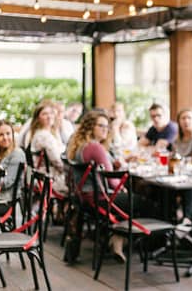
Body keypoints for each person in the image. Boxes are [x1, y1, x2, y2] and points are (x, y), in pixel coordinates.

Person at [66, 110, 129, 262]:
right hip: (100, 199)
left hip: (84, 199)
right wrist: (123, 187)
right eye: (101, 126)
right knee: (145, 202)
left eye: (107, 127)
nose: (105, 130)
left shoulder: (79, 145)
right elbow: (112, 181)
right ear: (90, 127)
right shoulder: (95, 147)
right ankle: (119, 237)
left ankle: (114, 236)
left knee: (132, 199)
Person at [24, 100, 67, 194]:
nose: (49, 116)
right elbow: (57, 161)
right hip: (49, 178)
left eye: (51, 113)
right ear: (38, 118)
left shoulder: (49, 133)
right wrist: (71, 169)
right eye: (44, 114)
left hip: (42, 176)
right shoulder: (44, 136)